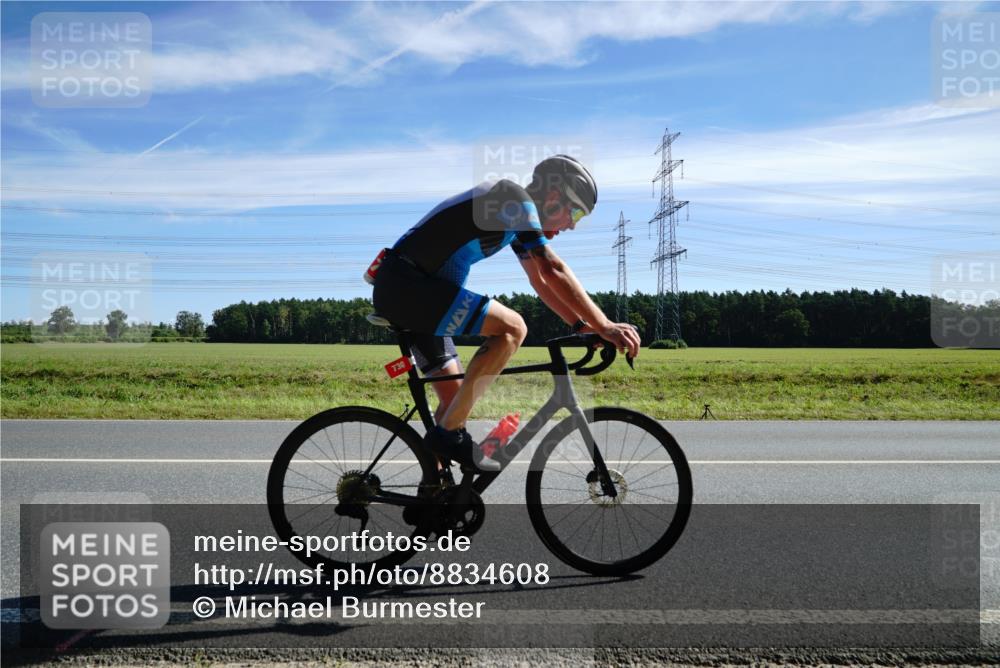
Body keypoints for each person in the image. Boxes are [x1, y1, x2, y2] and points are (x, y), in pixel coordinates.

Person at [371, 155, 640, 472]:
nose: (572, 225)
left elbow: (539, 281)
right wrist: (605, 324)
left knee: (453, 407)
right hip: (409, 287)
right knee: (513, 329)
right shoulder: (513, 199)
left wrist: (581, 326)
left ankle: (433, 493)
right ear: (554, 197)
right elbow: (551, 268)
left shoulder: (513, 217)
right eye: (576, 212)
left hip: (412, 292)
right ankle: (447, 438)